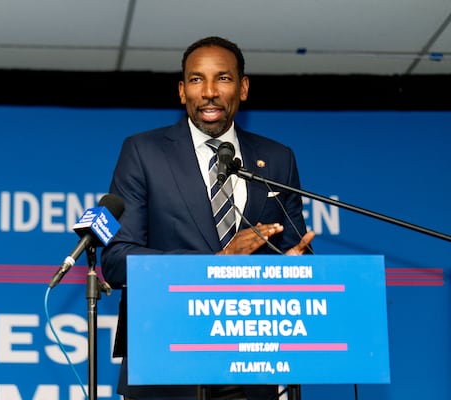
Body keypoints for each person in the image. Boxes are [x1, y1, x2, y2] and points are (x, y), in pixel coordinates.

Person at [101, 36, 314, 400]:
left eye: (224, 79)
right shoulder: (143, 152)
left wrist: (295, 268)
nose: (210, 92)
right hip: (167, 361)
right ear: (182, 91)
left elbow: (295, 248)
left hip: (254, 364)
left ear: (243, 88)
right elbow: (117, 260)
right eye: (197, 80)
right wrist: (216, 262)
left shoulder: (278, 159)